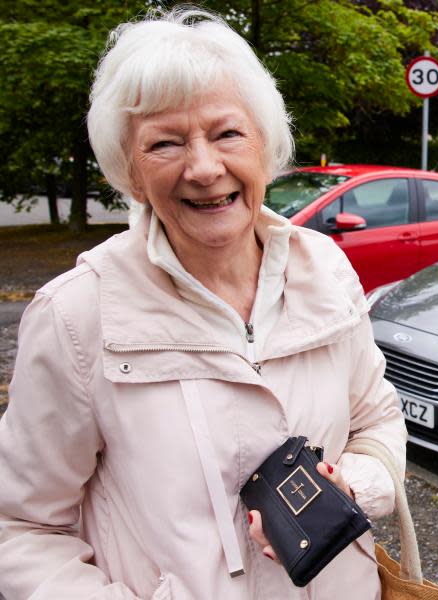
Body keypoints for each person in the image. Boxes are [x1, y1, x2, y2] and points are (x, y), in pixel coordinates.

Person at [0, 8, 404, 599]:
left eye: (226, 133)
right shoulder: (77, 316)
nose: (205, 167)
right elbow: (21, 527)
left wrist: (354, 486)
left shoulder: (325, 271)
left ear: (263, 146)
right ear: (132, 173)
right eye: (165, 143)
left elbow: (377, 420)